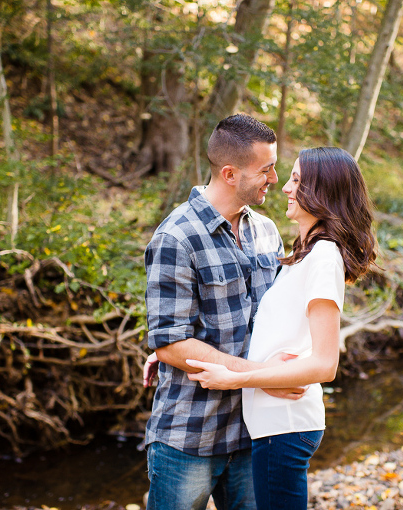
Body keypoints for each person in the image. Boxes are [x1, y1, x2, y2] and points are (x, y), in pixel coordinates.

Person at [185, 147, 378, 510]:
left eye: (297, 180)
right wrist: (169, 348)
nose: (285, 187)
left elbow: (325, 365)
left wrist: (234, 377)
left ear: (323, 193)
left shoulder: (323, 257)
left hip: (285, 426)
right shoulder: (304, 254)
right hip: (274, 426)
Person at [143, 113, 303, 510]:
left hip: (255, 431)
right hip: (190, 435)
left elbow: (272, 318)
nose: (275, 179)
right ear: (229, 173)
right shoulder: (175, 237)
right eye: (266, 169)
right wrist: (264, 378)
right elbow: (171, 343)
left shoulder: (265, 231)